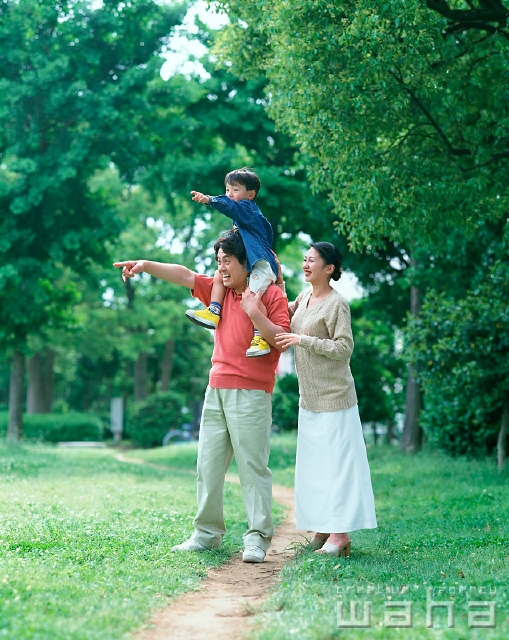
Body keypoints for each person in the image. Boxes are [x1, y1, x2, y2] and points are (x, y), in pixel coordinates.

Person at [114, 229, 290, 563]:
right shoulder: (219, 292)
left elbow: (282, 337)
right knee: (207, 466)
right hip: (217, 387)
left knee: (252, 468)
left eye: (228, 261)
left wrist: (255, 312)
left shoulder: (270, 295)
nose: (222, 268)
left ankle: (257, 538)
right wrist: (146, 264)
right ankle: (206, 535)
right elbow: (185, 275)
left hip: (252, 391)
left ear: (246, 261)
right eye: (218, 261)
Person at [275, 242, 377, 557]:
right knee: (316, 468)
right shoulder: (304, 298)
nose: (306, 265)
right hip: (310, 399)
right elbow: (281, 312)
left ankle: (340, 534)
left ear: (329, 268)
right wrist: (276, 278)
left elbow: (344, 347)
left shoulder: (337, 304)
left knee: (338, 467)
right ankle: (324, 526)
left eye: (312, 260)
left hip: (336, 399)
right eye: (304, 259)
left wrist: (303, 340)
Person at [186, 168, 282, 358]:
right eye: (228, 189)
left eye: (235, 190)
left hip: (261, 265)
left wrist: (209, 200)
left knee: (253, 295)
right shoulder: (243, 214)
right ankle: (214, 311)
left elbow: (231, 207)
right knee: (218, 274)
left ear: (250, 194)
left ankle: (259, 338)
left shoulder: (247, 209)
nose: (229, 194)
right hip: (251, 264)